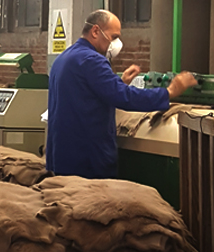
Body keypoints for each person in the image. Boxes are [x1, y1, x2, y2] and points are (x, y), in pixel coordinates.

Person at [46, 9, 198, 179]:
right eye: (113, 37)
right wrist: (169, 92)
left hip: (62, 157)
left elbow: (86, 95)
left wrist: (121, 82)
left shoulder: (64, 58)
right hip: (86, 162)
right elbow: (125, 98)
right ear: (95, 31)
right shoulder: (92, 60)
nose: (116, 44)